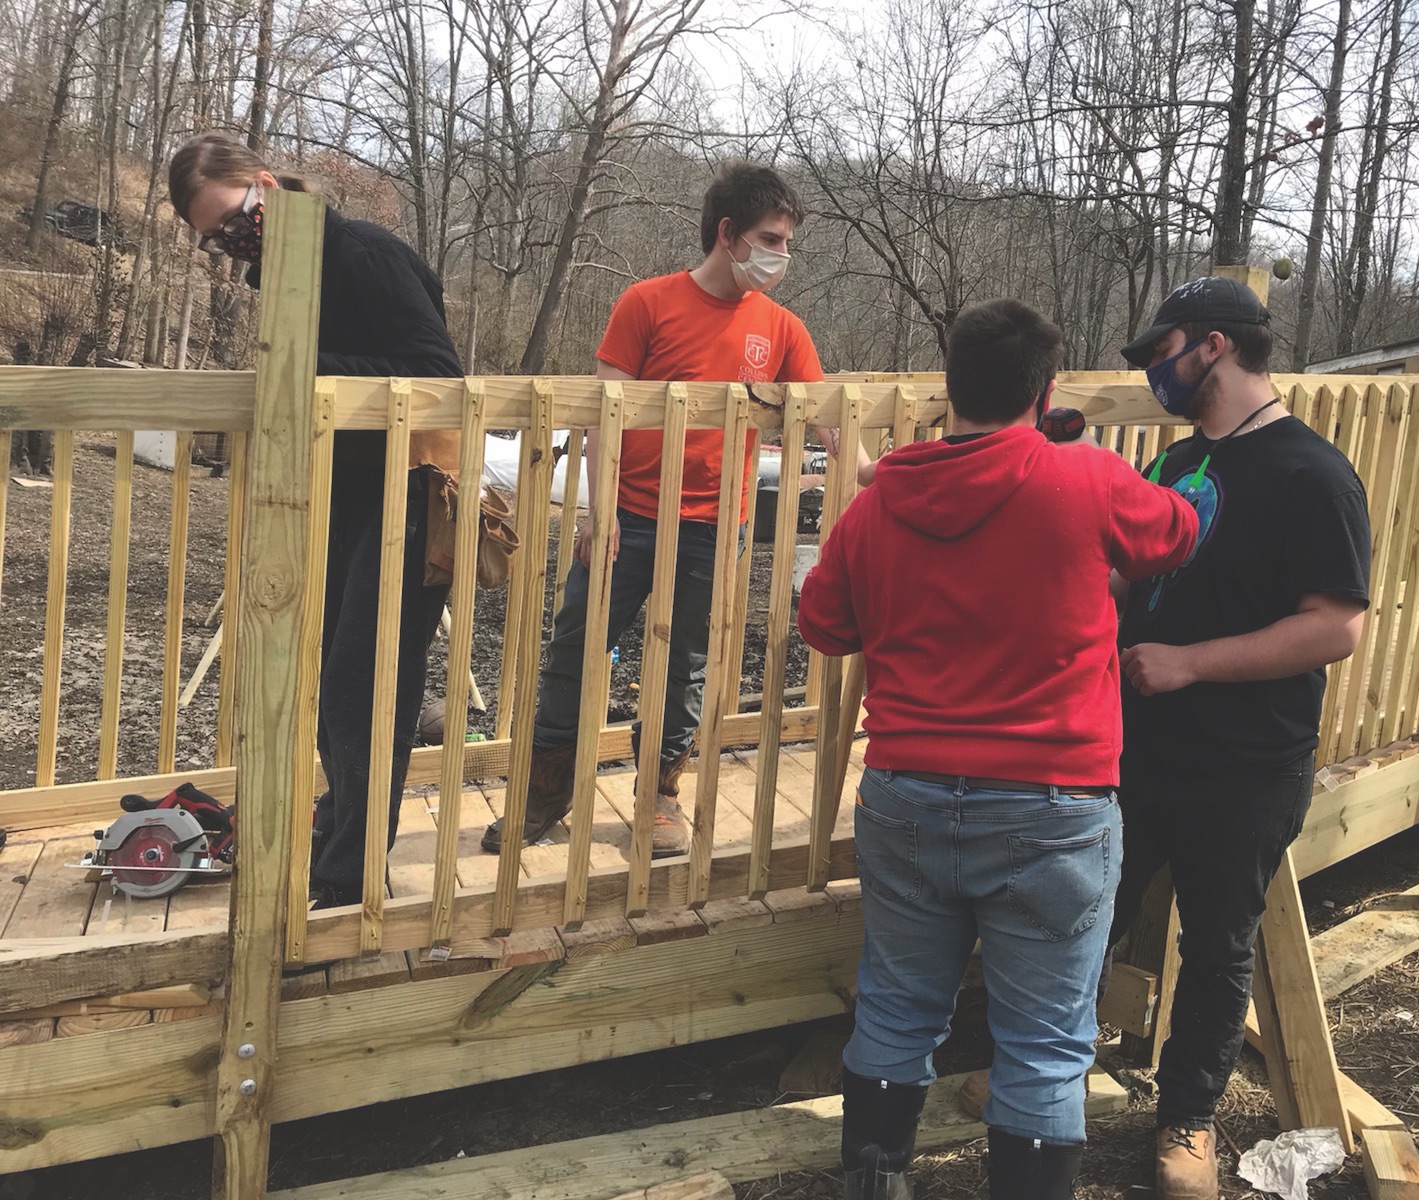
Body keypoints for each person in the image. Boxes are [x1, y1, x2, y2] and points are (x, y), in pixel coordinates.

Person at [797, 299, 1199, 1199]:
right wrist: (1067, 458)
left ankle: (873, 1184)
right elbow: (1177, 530)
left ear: (950, 390)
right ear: (1045, 390)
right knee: (1048, 1042)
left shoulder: (881, 500)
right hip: (1051, 806)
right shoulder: (1086, 478)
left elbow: (822, 624)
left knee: (897, 1009)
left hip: (906, 795)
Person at [482, 161, 850, 858]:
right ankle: (546, 795)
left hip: (718, 525)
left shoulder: (782, 328)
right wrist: (601, 509)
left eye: (787, 242)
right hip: (631, 517)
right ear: (728, 234)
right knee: (573, 651)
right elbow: (604, 415)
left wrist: (887, 471)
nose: (782, 256)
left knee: (687, 665)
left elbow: (829, 425)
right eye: (772, 238)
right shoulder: (647, 303)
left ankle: (660, 800)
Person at [1109, 276, 1372, 1200]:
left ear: (1212, 346)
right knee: (1085, 916)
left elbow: (1336, 626)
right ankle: (1050, 1078)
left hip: (1246, 761)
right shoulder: (1174, 464)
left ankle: (1187, 1120)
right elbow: (1128, 580)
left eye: (1159, 351)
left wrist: (1190, 664)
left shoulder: (1311, 473)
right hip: (1137, 749)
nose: (1151, 370)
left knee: (1219, 946)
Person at [169, 132, 463, 909]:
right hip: (346, 491)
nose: (232, 243)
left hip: (413, 488)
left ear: (265, 185)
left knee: (368, 688)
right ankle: (340, 830)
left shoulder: (362, 252)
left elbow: (439, 373)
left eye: (235, 220)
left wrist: (304, 377)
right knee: (336, 681)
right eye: (216, 239)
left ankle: (350, 874)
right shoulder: (286, 277)